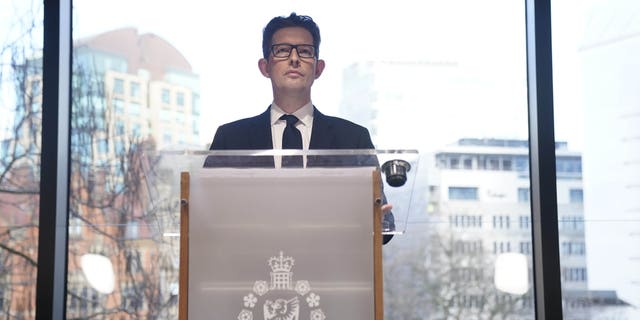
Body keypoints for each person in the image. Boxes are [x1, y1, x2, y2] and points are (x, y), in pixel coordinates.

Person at [208, 12, 393, 244]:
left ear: (318, 68)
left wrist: (376, 219)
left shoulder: (353, 138)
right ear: (265, 66)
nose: (294, 58)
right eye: (283, 50)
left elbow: (384, 225)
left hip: (329, 272)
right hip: (250, 272)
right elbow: (206, 220)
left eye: (305, 51)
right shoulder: (231, 139)